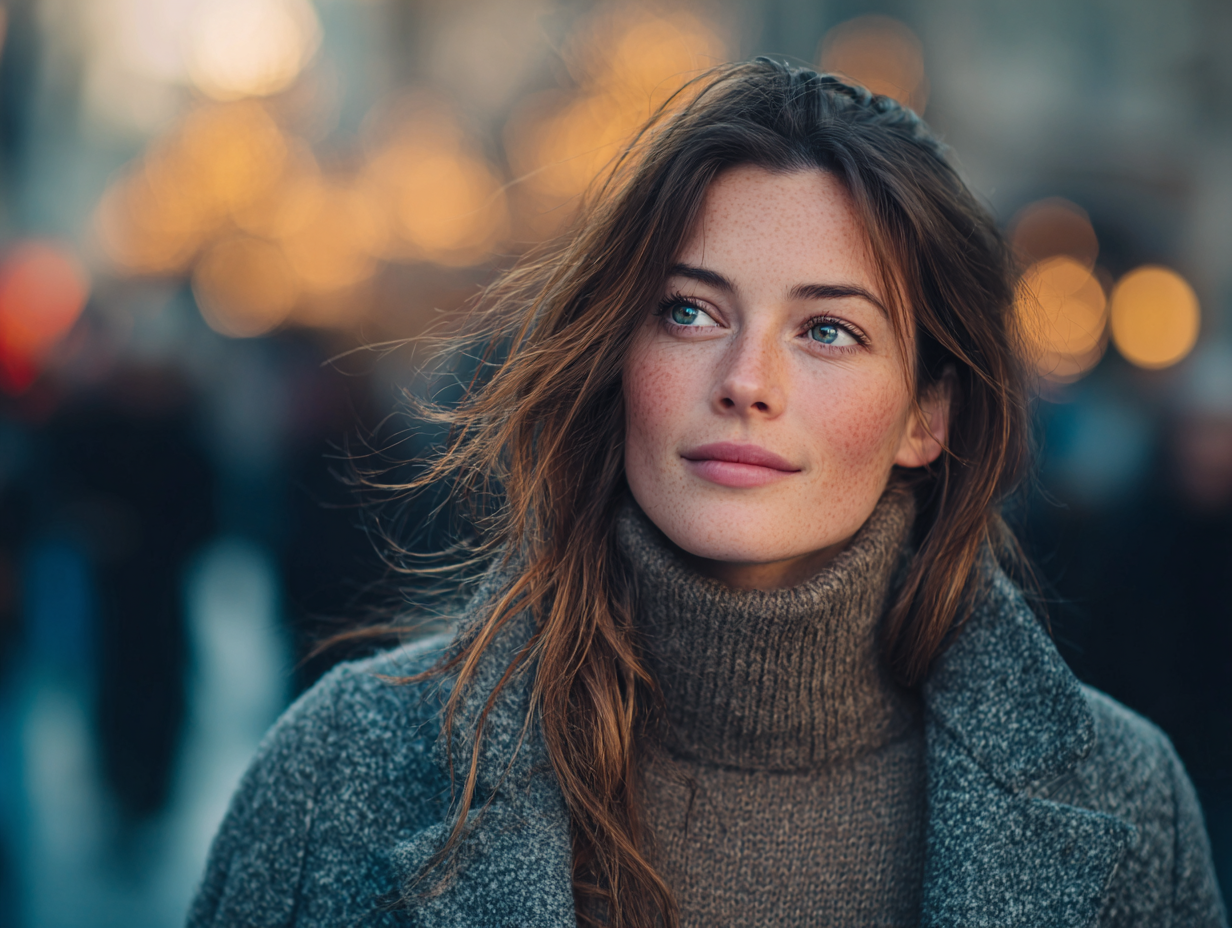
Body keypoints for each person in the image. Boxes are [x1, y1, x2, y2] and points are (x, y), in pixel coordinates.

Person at [186, 60, 1227, 928]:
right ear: (616, 354)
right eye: (689, 312)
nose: (744, 380)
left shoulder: (1125, 800)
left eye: (828, 331)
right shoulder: (343, 768)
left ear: (927, 415)